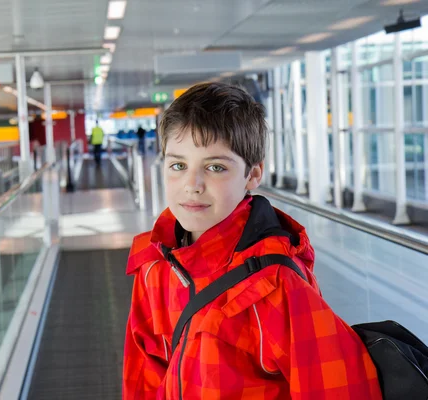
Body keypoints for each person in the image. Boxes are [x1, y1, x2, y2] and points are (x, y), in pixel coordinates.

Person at [122, 82, 382, 399]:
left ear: (253, 175)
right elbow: (145, 378)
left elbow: (339, 388)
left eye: (215, 167)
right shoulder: (154, 267)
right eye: (179, 165)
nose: (192, 185)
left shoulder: (275, 285)